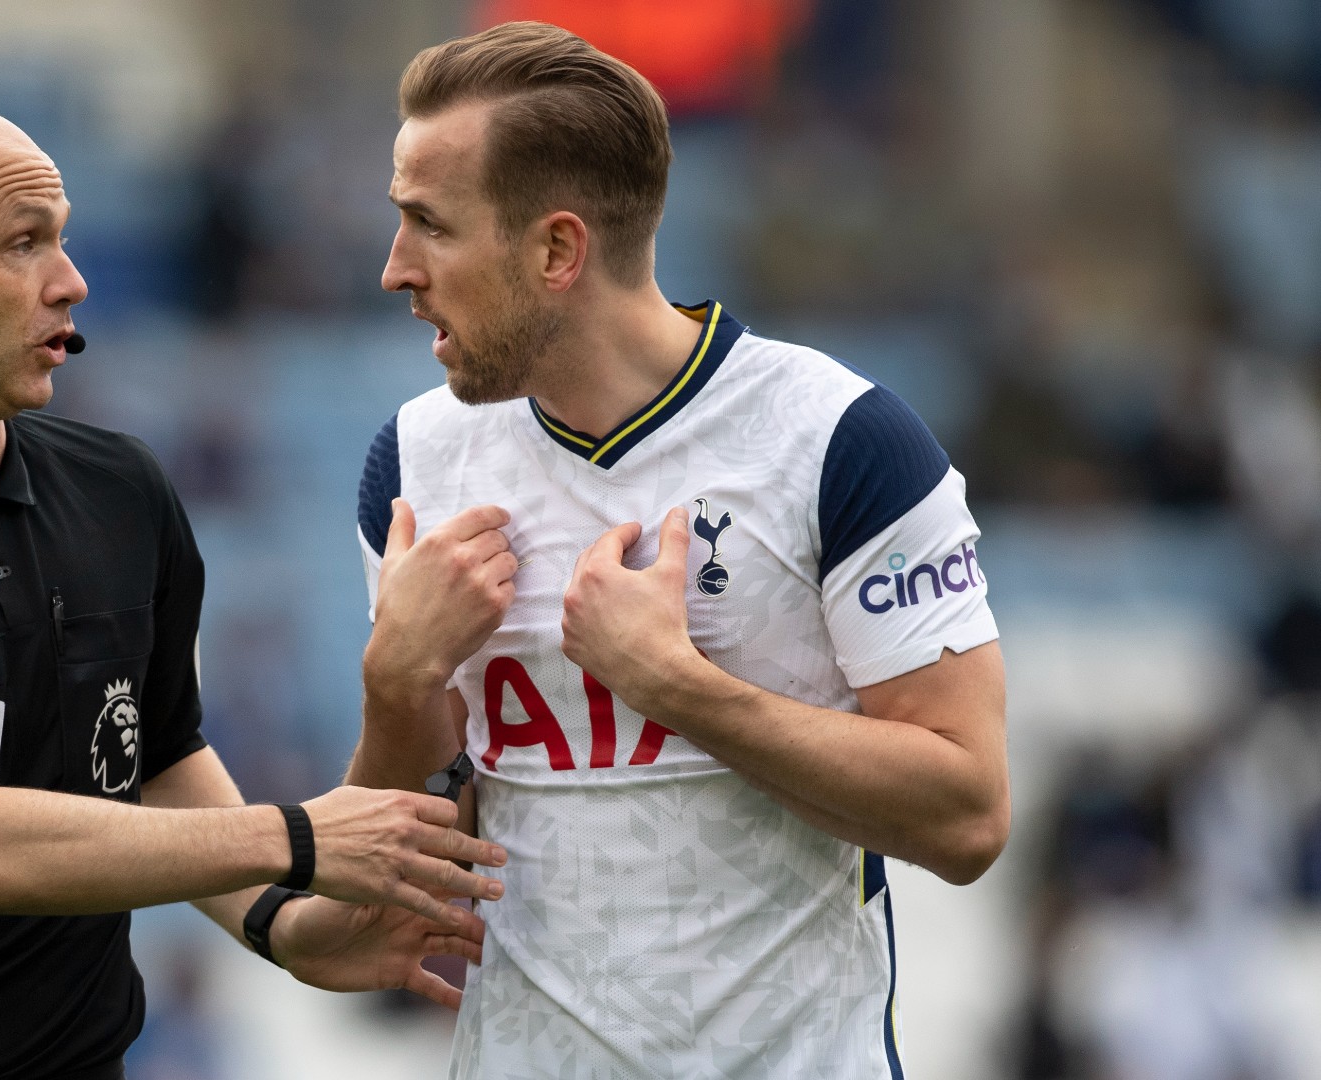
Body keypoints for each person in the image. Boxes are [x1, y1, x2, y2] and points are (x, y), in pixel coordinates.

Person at [0, 97, 507, 1080]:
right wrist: (295, 840)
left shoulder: (121, 489)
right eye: (23, 244)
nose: (70, 283)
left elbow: (155, 755)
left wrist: (278, 924)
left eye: (61, 243)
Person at [348, 23, 1010, 1079]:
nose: (395, 270)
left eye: (430, 226)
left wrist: (676, 686)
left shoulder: (839, 440)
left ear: (558, 250)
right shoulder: (415, 465)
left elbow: (968, 815)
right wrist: (395, 686)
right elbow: (400, 874)